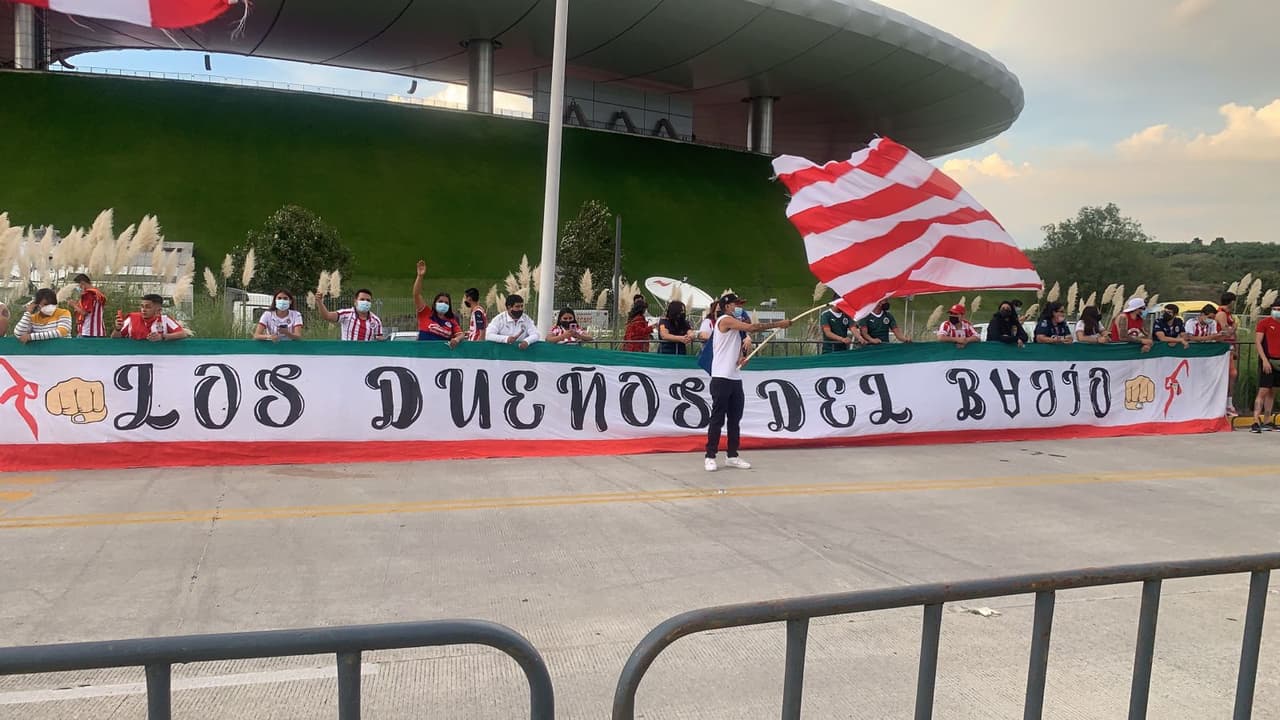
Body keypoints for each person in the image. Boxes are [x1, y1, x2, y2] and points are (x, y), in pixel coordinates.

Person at [704, 293, 791, 472]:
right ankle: (710, 456)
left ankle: (732, 455)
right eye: (735, 305)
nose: (738, 308)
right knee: (718, 419)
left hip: (734, 377)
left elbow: (734, 350)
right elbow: (752, 327)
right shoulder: (725, 320)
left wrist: (741, 358)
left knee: (735, 419)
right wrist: (778, 325)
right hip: (721, 377)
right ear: (727, 306)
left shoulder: (735, 329)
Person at [1251, 301, 1280, 433]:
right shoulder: (1265, 323)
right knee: (1263, 391)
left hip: (1278, 362)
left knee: (1272, 391)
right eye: (1274, 309)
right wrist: (1264, 360)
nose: (1276, 311)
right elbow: (1258, 342)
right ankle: (1255, 420)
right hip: (1268, 360)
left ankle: (1267, 420)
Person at [113, 293, 189, 341]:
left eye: (148, 307)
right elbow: (115, 338)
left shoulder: (165, 319)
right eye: (142, 306)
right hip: (134, 357)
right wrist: (117, 329)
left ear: (158, 310)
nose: (143, 310)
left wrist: (162, 337)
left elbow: (182, 333)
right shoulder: (132, 318)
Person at [316, 288, 384, 341]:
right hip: (347, 354)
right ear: (355, 302)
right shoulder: (346, 314)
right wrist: (319, 302)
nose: (365, 302)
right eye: (362, 299)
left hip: (366, 355)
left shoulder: (376, 320)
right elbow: (327, 316)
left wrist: (381, 339)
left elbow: (379, 338)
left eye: (368, 300)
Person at [1216, 292, 1240, 417]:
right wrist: (1234, 328)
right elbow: (1226, 331)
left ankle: (1228, 402)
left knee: (1232, 375)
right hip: (1223, 347)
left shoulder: (1229, 314)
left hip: (1229, 347)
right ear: (1231, 302)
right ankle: (1226, 404)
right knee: (1230, 374)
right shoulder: (1221, 313)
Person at [70, 273, 107, 337]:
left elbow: (85, 312)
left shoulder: (88, 294)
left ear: (82, 283)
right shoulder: (98, 293)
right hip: (98, 330)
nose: (79, 288)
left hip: (88, 331)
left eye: (79, 285)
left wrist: (73, 305)